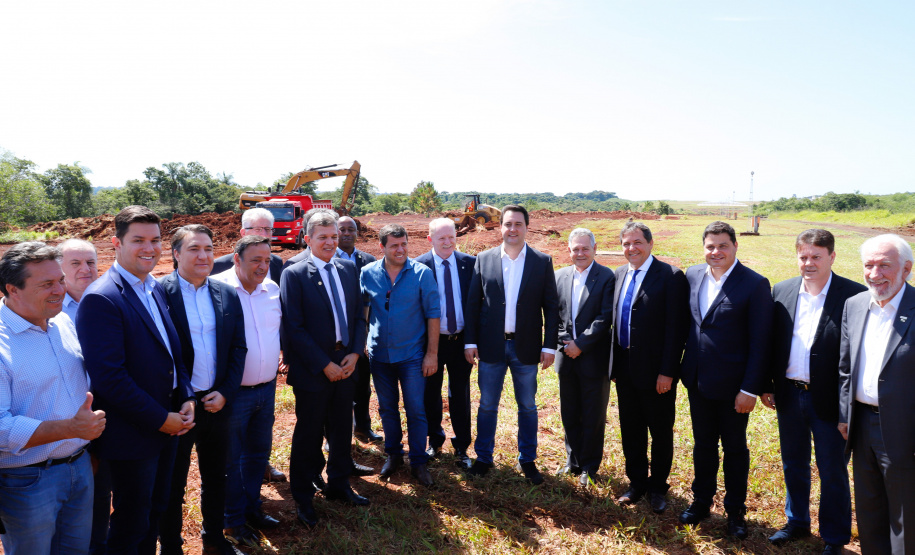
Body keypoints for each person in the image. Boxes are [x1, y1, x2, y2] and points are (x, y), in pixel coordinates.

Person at [76, 205, 196, 555]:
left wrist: (186, 396)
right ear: (116, 243)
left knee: (155, 511)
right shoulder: (102, 298)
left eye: (156, 240)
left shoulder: (152, 287)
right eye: (138, 240)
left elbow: (174, 353)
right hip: (134, 432)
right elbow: (110, 379)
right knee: (131, 522)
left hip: (169, 422)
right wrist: (162, 420)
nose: (150, 248)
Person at [0, 242, 106, 555]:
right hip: (26, 480)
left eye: (60, 280)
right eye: (47, 284)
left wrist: (84, 446)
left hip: (80, 467)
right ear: (12, 289)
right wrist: (71, 429)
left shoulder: (62, 321)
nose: (60, 290)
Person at [764, 229, 864, 554]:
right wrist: (768, 385)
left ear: (832, 257)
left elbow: (859, 355)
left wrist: (850, 408)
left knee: (832, 469)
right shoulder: (782, 291)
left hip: (830, 400)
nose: (808, 263)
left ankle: (834, 538)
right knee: (793, 463)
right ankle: (796, 522)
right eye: (803, 256)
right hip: (789, 396)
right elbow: (773, 344)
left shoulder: (854, 296)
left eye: (816, 257)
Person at [678, 220, 773, 539]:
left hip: (735, 388)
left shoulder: (754, 283)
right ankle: (701, 502)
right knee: (703, 445)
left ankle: (736, 513)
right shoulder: (692, 275)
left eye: (723, 246)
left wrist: (750, 388)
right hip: (698, 380)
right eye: (710, 246)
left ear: (735, 247)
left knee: (734, 449)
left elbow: (761, 343)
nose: (716, 252)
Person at [158, 225, 247, 555]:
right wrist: (185, 397)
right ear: (177, 254)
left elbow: (238, 348)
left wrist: (225, 391)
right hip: (179, 407)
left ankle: (214, 538)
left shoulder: (226, 293)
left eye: (209, 249)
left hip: (217, 403)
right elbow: (159, 354)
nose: (204, 255)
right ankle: (171, 546)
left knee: (217, 475)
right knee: (173, 483)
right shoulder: (159, 293)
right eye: (194, 249)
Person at [281, 211, 370, 527]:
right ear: (307, 239)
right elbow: (293, 327)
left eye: (334, 236)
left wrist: (356, 353)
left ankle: (339, 485)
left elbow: (360, 316)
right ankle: (304, 498)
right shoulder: (294, 273)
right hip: (313, 371)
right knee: (308, 435)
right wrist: (324, 365)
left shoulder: (348, 268)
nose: (331, 242)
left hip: (346, 365)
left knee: (342, 429)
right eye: (323, 237)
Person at [464, 205, 560, 484]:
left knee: (527, 406)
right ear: (500, 227)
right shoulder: (484, 259)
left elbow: (551, 307)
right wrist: (470, 341)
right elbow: (473, 305)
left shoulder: (542, 261)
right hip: (491, 346)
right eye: (508, 224)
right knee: (487, 405)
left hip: (527, 347)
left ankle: (527, 459)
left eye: (518, 224)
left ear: (526, 227)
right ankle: (483, 458)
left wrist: (549, 346)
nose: (512, 229)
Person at [838, 233, 915, 555]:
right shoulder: (855, 305)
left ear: (906, 269)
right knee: (868, 509)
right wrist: (844, 416)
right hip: (861, 427)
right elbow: (844, 367)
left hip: (903, 430)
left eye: (884, 265)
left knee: (904, 517)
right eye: (868, 265)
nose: (874, 273)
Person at [211, 235, 283, 548]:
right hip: (233, 394)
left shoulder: (273, 289)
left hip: (266, 390)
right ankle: (232, 522)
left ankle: (253, 509)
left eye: (267, 260)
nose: (263, 266)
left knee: (257, 456)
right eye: (256, 260)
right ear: (236, 259)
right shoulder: (216, 290)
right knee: (230, 461)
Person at [612, 222, 687, 513]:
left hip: (658, 374)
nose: (632, 248)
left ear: (650, 243)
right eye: (626, 243)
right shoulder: (619, 274)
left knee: (660, 431)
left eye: (637, 242)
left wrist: (667, 371)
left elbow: (676, 329)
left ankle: (657, 487)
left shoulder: (670, 276)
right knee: (631, 430)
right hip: (625, 370)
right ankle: (636, 483)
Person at [360, 224, 440, 486]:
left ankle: (418, 461)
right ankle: (394, 455)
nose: (400, 249)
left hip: (412, 355)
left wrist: (431, 354)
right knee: (387, 408)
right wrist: (362, 341)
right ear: (381, 247)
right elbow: (363, 309)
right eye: (394, 245)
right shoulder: (367, 273)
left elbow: (433, 315)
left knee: (416, 409)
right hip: (379, 356)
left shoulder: (422, 274)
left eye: (404, 244)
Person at [553, 228, 615, 488]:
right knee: (569, 411)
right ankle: (572, 461)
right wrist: (567, 342)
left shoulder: (606, 277)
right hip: (566, 356)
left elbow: (605, 317)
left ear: (594, 248)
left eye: (584, 248)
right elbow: (555, 315)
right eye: (575, 249)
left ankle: (589, 466)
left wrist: (581, 344)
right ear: (569, 250)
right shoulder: (559, 276)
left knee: (592, 414)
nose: (580, 253)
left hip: (593, 358)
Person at [415, 218, 476, 470]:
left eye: (451, 237)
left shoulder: (470, 264)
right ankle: (435, 440)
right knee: (431, 392)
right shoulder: (418, 266)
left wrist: (472, 341)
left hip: (461, 341)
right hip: (432, 343)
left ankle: (462, 446)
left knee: (460, 394)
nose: (447, 242)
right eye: (441, 238)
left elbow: (476, 306)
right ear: (430, 239)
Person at [335, 215, 381, 444]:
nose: (347, 233)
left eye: (351, 229)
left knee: (363, 386)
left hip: (363, 332)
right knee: (338, 389)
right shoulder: (328, 259)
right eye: (341, 229)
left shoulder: (368, 259)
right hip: (338, 336)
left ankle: (363, 428)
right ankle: (333, 435)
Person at [212, 207, 283, 285]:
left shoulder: (277, 263)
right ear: (243, 233)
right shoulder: (219, 266)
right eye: (258, 229)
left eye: (268, 229)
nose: (264, 235)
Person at [59, 238, 98, 323]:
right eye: (75, 263)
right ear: (59, 268)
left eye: (90, 262)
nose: (86, 269)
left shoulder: (114, 301)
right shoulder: (47, 310)